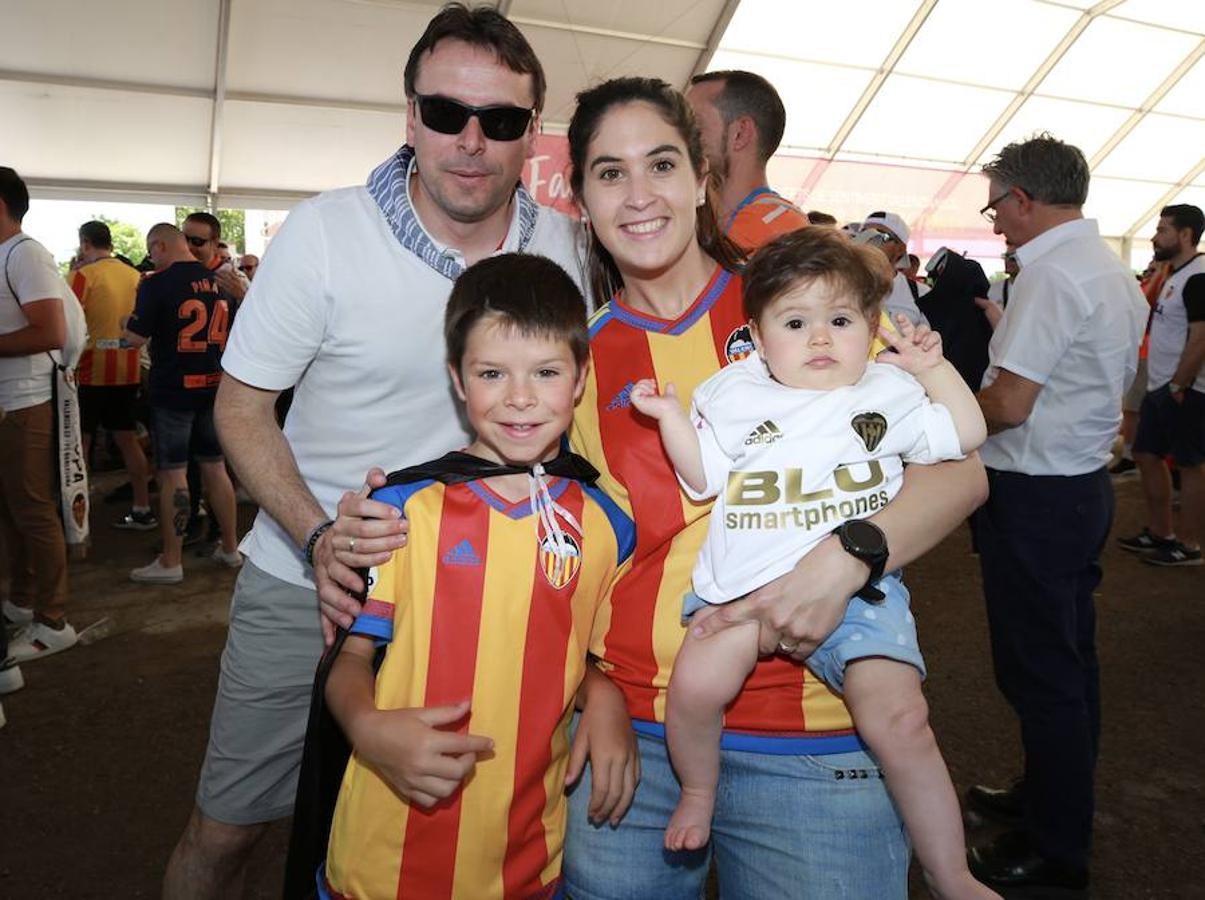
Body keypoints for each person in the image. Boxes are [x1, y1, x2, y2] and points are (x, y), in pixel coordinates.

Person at [327, 74, 986, 900]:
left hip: (816, 733)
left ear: (703, 178)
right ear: (581, 198)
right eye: (609, 172)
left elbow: (961, 472)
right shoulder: (568, 367)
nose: (639, 196)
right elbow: (531, 537)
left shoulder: (809, 308)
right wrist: (352, 542)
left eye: (662, 164)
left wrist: (845, 558)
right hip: (631, 746)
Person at [162, 7, 587, 897]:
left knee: (474, 827)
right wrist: (321, 542)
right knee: (230, 825)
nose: (471, 142)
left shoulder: (561, 245)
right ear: (409, 116)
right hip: (305, 578)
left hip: (490, 594)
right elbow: (242, 411)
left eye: (501, 122)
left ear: (531, 135)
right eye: (445, 113)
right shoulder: (324, 232)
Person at [629, 227, 992, 898]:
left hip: (861, 595)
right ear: (759, 338)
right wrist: (671, 416)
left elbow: (967, 436)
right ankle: (699, 792)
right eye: (795, 322)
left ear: (871, 326)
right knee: (696, 687)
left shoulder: (886, 391)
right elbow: (702, 477)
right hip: (740, 589)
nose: (820, 338)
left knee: (901, 718)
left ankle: (951, 874)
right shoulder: (733, 393)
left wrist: (932, 370)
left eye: (840, 320)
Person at [319, 253, 636, 898]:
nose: (520, 398)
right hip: (381, 859)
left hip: (526, 859)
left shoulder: (609, 523)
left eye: (546, 373)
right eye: (493, 373)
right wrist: (367, 728)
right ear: (458, 381)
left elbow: (583, 652)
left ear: (579, 379)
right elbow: (349, 657)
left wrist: (600, 691)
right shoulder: (402, 510)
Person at [967, 134, 1148, 892]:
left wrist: (933, 408)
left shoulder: (1047, 277)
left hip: (1035, 497)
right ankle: (1048, 799)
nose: (996, 223)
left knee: (1042, 676)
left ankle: (1056, 849)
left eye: (996, 206)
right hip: (1078, 488)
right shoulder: (1105, 268)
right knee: (1071, 667)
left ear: (1022, 199)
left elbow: (1007, 405)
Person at [122, 224, 240, 585]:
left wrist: (124, 325)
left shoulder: (157, 283)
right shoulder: (220, 284)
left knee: (173, 474)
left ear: (159, 246)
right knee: (215, 467)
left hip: (174, 390)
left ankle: (171, 560)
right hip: (213, 387)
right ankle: (231, 547)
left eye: (152, 250)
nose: (151, 258)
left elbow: (133, 339)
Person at [0, 166, 78, 663]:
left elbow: (49, 332)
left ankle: (54, 620)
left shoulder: (26, 254)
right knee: (13, 509)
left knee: (31, 510)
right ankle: (24, 597)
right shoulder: (9, 254)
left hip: (26, 402)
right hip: (12, 403)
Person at [1118, 203, 1205, 566]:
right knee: (1146, 454)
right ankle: (1160, 533)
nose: (1156, 236)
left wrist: (1178, 385)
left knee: (1190, 464)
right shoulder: (1174, 273)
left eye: (1163, 229)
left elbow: (1201, 337)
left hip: (1186, 390)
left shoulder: (1199, 276)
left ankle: (1188, 545)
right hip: (1162, 386)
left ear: (1185, 235)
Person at [69, 219, 155, 531]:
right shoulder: (134, 275)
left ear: (85, 243)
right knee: (127, 438)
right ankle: (143, 506)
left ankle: (78, 514)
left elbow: (69, 322)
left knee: (82, 442)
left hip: (91, 369)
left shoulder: (81, 275)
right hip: (128, 366)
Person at [685, 70, 808, 250]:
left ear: (740, 134)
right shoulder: (697, 222)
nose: (680, 137)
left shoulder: (782, 233)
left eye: (694, 124)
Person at [858, 210, 928, 327]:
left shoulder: (921, 294)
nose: (870, 241)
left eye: (882, 236)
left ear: (900, 249)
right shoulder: (840, 286)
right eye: (865, 234)